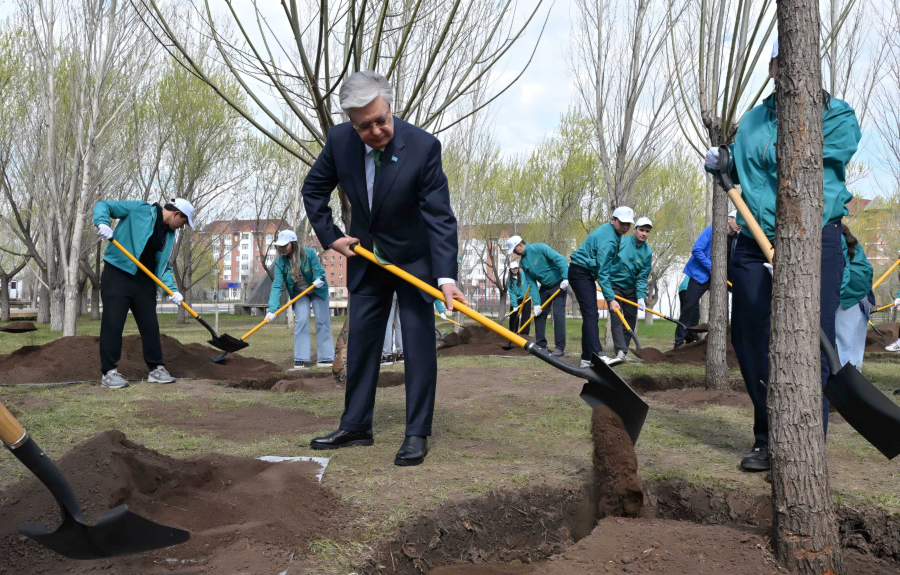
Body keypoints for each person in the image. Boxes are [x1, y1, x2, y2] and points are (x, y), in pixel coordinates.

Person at [704, 39, 861, 472]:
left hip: (814, 239)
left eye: (796, 60)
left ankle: (809, 441)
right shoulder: (752, 120)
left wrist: (766, 153)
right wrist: (726, 159)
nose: (787, 68)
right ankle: (766, 436)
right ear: (772, 67)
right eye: (779, 61)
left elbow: (813, 155)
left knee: (812, 340)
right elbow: (742, 170)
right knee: (750, 337)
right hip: (756, 240)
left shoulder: (838, 115)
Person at [301, 71, 466, 466]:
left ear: (390, 107)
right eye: (365, 126)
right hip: (368, 257)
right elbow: (313, 190)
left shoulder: (423, 147)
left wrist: (445, 277)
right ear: (351, 123)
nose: (376, 131)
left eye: (382, 120)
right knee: (362, 344)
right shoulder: (340, 142)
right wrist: (333, 237)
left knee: (417, 343)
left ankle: (416, 433)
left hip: (414, 259)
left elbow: (440, 218)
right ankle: (356, 425)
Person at [93, 198, 196, 389]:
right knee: (113, 324)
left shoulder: (168, 234)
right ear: (176, 214)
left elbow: (163, 266)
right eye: (183, 221)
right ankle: (109, 373)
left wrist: (172, 290)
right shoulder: (140, 209)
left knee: (150, 326)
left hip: (145, 282)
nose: (182, 226)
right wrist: (102, 222)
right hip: (118, 274)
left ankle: (156, 369)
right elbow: (103, 205)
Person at [567, 207, 633, 367]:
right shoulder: (609, 240)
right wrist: (610, 299)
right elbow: (603, 273)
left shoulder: (612, 233)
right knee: (591, 315)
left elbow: (600, 269)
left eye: (628, 224)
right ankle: (599, 354)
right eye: (622, 222)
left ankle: (586, 359)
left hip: (583, 272)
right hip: (580, 272)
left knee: (590, 316)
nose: (625, 226)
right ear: (613, 220)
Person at [266, 230, 334, 370]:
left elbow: (318, 271)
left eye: (285, 245)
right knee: (301, 320)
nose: (282, 248)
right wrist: (272, 309)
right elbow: (277, 286)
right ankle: (300, 358)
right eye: (280, 245)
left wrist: (318, 279)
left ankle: (326, 357)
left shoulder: (308, 254)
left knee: (322, 320)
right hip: (299, 292)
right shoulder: (280, 263)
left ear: (293, 244)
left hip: (317, 289)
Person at [506, 235, 569, 356]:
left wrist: (565, 278)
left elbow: (560, 259)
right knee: (539, 314)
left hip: (559, 284)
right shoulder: (523, 262)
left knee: (558, 313)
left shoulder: (540, 248)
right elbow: (532, 283)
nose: (514, 252)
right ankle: (541, 346)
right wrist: (536, 303)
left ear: (520, 245)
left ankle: (559, 348)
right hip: (545, 287)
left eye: (514, 249)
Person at [609, 216, 653, 362]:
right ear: (635, 229)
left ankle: (624, 351)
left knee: (630, 320)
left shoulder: (647, 252)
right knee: (616, 317)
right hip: (614, 285)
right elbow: (606, 260)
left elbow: (642, 277)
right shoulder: (620, 241)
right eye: (641, 230)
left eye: (647, 231)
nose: (644, 233)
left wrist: (641, 296)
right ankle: (619, 351)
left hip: (631, 288)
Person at [835, 225, 873, 371]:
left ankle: (850, 388)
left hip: (852, 297)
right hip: (849, 295)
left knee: (849, 350)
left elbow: (850, 275)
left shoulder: (838, 240)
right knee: (843, 347)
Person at [674, 225, 712, 348]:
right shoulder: (711, 230)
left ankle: (692, 338)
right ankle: (681, 340)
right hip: (695, 281)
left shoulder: (735, 238)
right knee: (690, 309)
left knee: (697, 314)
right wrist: (712, 267)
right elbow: (697, 250)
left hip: (718, 277)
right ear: (729, 219)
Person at [503, 261, 532, 350]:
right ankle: (513, 333)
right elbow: (511, 293)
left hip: (526, 298)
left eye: (516, 268)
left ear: (518, 269)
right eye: (513, 269)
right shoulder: (509, 280)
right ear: (510, 270)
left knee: (526, 316)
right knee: (513, 315)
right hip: (517, 299)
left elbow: (530, 282)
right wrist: (515, 305)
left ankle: (524, 334)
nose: (515, 270)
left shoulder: (523, 275)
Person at [677, 275, 701, 340]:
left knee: (685, 315)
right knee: (694, 315)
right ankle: (692, 337)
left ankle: (686, 338)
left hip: (683, 288)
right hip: (690, 287)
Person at [382, 293, 403, 365]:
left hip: (390, 288)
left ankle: (387, 356)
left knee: (387, 321)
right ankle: (401, 354)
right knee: (400, 321)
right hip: (402, 288)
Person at [727, 210, 741, 284]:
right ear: (729, 219)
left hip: (730, 279)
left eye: (741, 222)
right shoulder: (713, 233)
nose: (739, 224)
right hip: (708, 274)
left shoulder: (739, 239)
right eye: (737, 220)